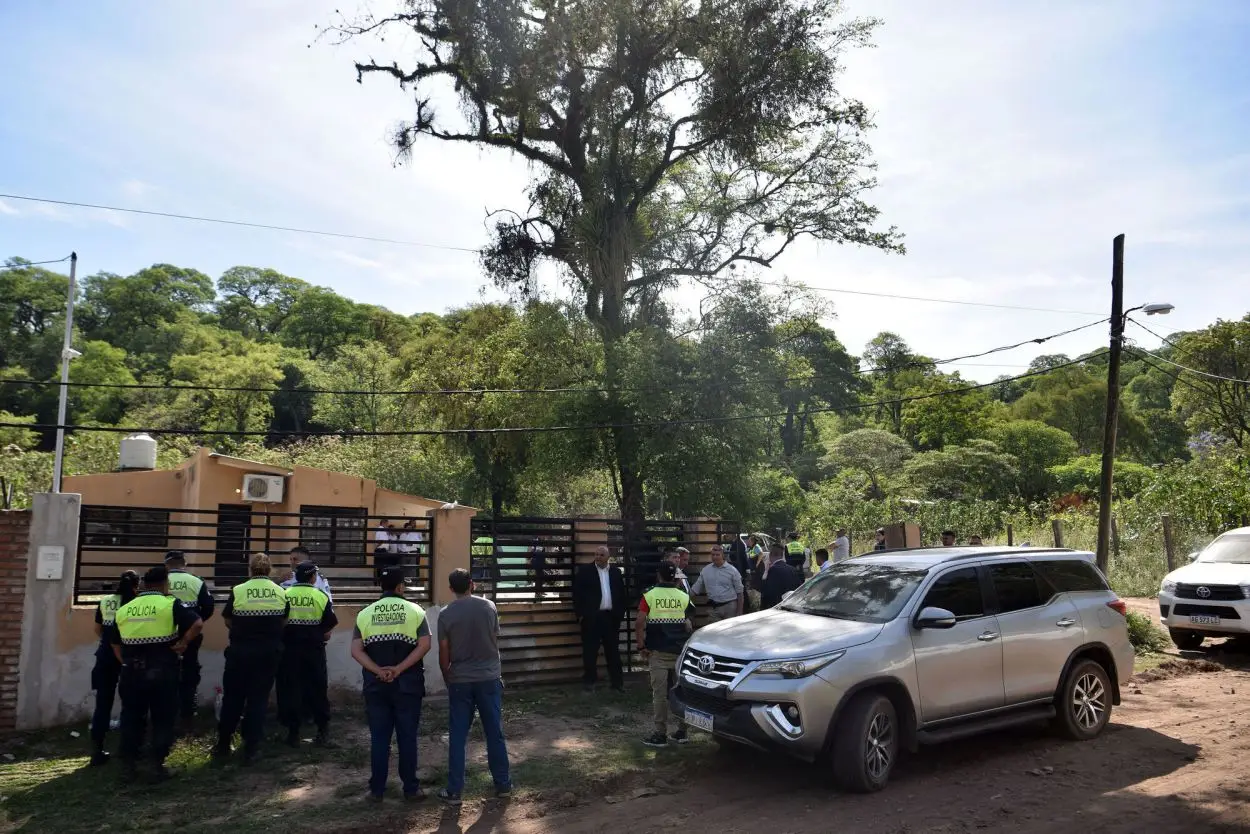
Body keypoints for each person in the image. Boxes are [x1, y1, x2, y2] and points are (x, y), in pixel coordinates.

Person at [110, 566, 203, 782]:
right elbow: (197, 623)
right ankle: (156, 765)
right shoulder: (169, 603)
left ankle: (129, 765)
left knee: (132, 717)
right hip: (162, 670)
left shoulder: (127, 608)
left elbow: (114, 642)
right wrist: (183, 643)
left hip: (132, 671)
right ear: (165, 583)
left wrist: (124, 661)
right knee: (163, 717)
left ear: (144, 584)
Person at [352, 567, 432, 802]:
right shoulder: (416, 611)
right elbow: (424, 645)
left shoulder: (365, 614)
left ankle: (376, 790)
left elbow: (356, 650)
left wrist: (378, 671)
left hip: (376, 686)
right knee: (407, 737)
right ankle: (411, 788)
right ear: (400, 587)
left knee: (379, 738)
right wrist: (399, 669)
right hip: (407, 685)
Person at [437, 569, 512, 805]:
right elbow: (494, 637)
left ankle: (455, 791)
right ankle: (503, 785)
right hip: (489, 678)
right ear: (473, 584)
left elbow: (444, 651)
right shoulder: (488, 607)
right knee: (494, 733)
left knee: (458, 735)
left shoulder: (445, 614)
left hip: (460, 679)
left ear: (451, 588)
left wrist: (447, 675)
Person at [214, 553, 289, 765]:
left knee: (233, 698)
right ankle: (252, 748)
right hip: (267, 653)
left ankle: (223, 744)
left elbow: (228, 619)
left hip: (240, 652)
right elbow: (284, 620)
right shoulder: (280, 592)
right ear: (269, 570)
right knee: (258, 700)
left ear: (250, 569)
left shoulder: (238, 590)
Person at [278, 561, 338, 748]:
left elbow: (279, 622)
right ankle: (322, 731)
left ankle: (293, 733)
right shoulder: (320, 596)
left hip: (289, 650)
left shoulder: (284, 595)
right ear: (313, 578)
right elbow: (329, 626)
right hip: (314, 650)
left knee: (291, 689)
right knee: (318, 689)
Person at [637, 562, 695, 747]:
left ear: (658, 575)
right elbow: (689, 622)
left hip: (659, 652)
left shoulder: (650, 595)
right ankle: (682, 731)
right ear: (674, 577)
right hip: (679, 653)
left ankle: (660, 734)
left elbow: (639, 622)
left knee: (659, 695)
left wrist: (641, 646)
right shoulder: (683, 596)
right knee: (681, 693)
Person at [88, 570, 139, 766]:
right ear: (137, 584)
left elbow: (97, 629)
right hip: (128, 655)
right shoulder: (135, 602)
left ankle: (97, 749)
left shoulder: (106, 600)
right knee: (131, 703)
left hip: (105, 656)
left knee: (103, 703)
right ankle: (127, 748)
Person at [163, 551, 215, 731]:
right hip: (190, 634)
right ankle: (187, 717)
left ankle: (164, 717)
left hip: (163, 636)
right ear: (184, 564)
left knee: (164, 674)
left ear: (167, 565)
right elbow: (208, 607)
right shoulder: (196, 581)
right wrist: (196, 620)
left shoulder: (160, 580)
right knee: (189, 673)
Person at [572, 545, 626, 693]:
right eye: (596, 554)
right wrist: (581, 615)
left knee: (613, 652)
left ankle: (617, 683)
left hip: (610, 617)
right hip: (592, 618)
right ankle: (589, 682)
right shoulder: (585, 571)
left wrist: (619, 615)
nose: (598, 557)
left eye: (601, 555)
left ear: (608, 556)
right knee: (590, 651)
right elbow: (577, 594)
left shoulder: (615, 572)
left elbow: (621, 594)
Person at [689, 544, 743, 622]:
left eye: (717, 555)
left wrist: (739, 612)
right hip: (713, 609)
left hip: (730, 607)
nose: (715, 557)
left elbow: (740, 592)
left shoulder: (732, 571)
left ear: (723, 555)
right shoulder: (706, 570)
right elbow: (695, 589)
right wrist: (682, 597)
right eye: (713, 555)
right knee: (714, 633)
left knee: (730, 633)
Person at [760, 545, 802, 610]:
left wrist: (765, 572)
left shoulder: (773, 569)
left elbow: (768, 592)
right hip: (793, 606)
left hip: (779, 607)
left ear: (770, 555)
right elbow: (799, 588)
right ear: (782, 555)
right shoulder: (792, 569)